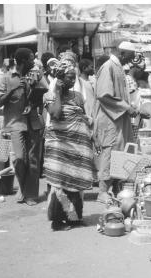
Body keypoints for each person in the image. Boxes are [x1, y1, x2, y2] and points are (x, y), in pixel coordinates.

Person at [44, 58, 94, 231]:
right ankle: (57, 221)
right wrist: (57, 90)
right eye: (69, 78)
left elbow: (84, 117)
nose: (72, 81)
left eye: (74, 78)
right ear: (59, 77)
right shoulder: (49, 96)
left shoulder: (78, 96)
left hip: (78, 145)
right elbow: (56, 114)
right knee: (60, 183)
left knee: (76, 181)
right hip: (59, 145)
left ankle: (74, 218)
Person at [0, 48, 44, 206]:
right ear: (22, 61)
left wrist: (34, 93)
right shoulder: (7, 78)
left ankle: (31, 195)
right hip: (16, 123)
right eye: (30, 59)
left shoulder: (36, 75)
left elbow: (43, 95)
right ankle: (23, 188)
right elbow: (0, 101)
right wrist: (14, 89)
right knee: (20, 159)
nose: (33, 62)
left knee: (33, 160)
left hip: (33, 122)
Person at [94, 41, 139, 203]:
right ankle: (102, 191)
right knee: (110, 152)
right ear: (122, 53)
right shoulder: (108, 67)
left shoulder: (118, 66)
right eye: (130, 57)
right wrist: (127, 108)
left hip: (118, 120)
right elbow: (104, 94)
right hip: (110, 120)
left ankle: (115, 187)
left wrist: (130, 108)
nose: (131, 61)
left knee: (120, 152)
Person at [77, 58, 95, 124]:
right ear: (84, 68)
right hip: (86, 115)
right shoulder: (79, 82)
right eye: (91, 67)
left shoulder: (91, 81)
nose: (93, 69)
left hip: (94, 113)